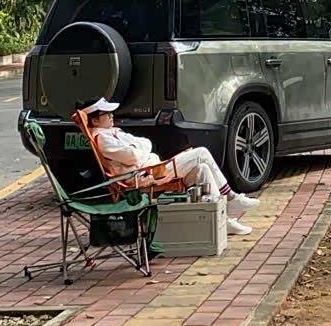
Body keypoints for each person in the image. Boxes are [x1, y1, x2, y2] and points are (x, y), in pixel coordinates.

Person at [85, 99, 256, 236]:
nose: (111, 115)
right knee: (201, 153)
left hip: (152, 168)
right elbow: (134, 156)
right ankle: (230, 197)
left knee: (202, 169)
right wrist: (139, 150)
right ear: (95, 120)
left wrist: (139, 150)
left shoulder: (114, 132)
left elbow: (146, 143)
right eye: (106, 114)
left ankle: (223, 220)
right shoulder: (103, 138)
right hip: (146, 176)